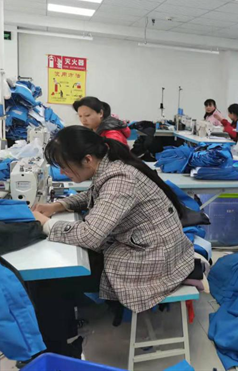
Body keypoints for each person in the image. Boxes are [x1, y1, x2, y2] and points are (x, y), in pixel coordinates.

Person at [29, 126, 194, 358]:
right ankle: (64, 336)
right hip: (150, 249)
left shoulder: (120, 179)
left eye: (64, 167)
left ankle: (58, 353)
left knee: (49, 282)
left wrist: (45, 223)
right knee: (54, 276)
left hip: (152, 262)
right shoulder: (111, 167)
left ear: (87, 159)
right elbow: (94, 195)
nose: (63, 172)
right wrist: (58, 206)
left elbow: (90, 235)